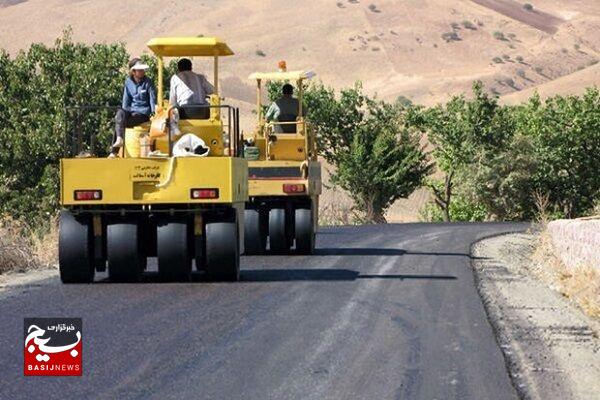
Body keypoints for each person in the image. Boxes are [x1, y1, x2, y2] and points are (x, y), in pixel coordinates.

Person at [111, 58, 157, 155]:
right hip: (131, 111)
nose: (142, 71)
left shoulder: (148, 82)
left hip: (143, 113)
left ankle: (114, 152)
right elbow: (125, 101)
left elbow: (152, 99)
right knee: (119, 115)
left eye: (143, 70)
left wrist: (153, 114)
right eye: (140, 70)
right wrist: (123, 114)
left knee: (119, 123)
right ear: (133, 72)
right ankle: (119, 139)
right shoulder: (128, 82)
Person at [168, 58, 215, 135]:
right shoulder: (201, 77)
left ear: (178, 69)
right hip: (202, 112)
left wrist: (170, 108)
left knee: (172, 110)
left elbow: (172, 99)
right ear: (191, 67)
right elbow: (212, 90)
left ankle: (175, 133)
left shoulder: (175, 78)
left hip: (185, 112)